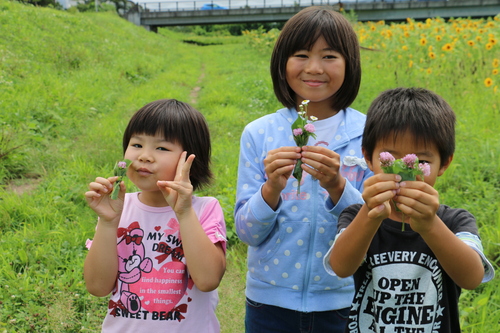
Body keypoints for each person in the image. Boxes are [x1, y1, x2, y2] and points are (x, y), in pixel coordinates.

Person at [234, 6, 373, 332]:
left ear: (349, 65)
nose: (314, 68)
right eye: (301, 55)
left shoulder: (369, 134)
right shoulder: (259, 133)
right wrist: (271, 189)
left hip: (345, 300)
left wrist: (338, 186)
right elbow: (247, 232)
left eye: (329, 56)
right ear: (281, 63)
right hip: (268, 303)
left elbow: (375, 226)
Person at [325, 87, 495, 332]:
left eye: (422, 162)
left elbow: (471, 278)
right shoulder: (356, 215)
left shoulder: (454, 221)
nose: (403, 174)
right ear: (368, 158)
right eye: (388, 161)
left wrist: (430, 225)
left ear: (444, 163)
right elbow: (341, 267)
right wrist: (370, 216)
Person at [84, 99, 227, 332]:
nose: (145, 156)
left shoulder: (204, 210)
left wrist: (184, 212)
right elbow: (97, 286)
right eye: (137, 144)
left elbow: (208, 280)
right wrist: (108, 223)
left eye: (161, 148)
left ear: (190, 159)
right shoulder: (119, 208)